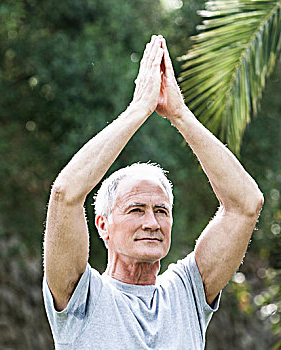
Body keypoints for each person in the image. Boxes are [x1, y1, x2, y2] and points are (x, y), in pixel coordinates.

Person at [42, 35, 264, 349]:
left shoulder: (187, 293)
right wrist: (137, 111)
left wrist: (180, 115)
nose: (152, 222)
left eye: (161, 211)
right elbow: (65, 195)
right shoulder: (81, 296)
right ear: (103, 225)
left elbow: (246, 204)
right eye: (136, 210)